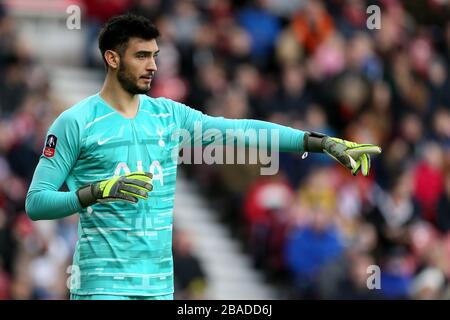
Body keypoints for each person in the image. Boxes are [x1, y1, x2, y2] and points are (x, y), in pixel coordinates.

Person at [25, 13, 381, 300]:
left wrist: (317, 142)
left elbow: (242, 132)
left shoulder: (169, 115)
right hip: (101, 287)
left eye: (155, 56)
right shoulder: (75, 123)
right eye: (141, 56)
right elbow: (37, 203)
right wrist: (96, 192)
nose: (152, 66)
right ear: (112, 58)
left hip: (158, 289)